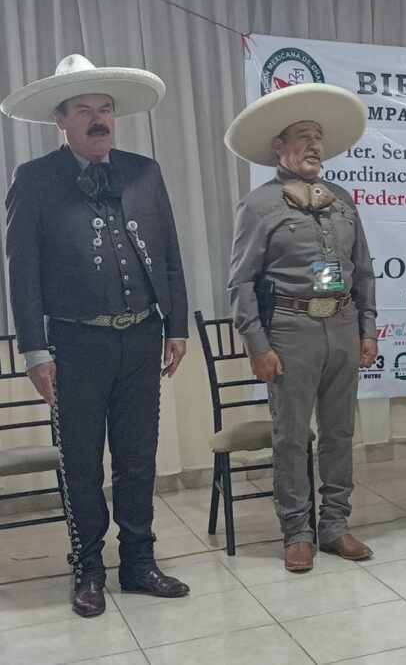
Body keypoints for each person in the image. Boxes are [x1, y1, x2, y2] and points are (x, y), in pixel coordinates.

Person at [1, 54, 190, 617]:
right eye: (83, 110)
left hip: (143, 337)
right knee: (81, 463)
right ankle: (88, 567)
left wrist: (176, 325)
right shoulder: (34, 179)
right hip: (74, 345)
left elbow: (171, 254)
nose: (98, 118)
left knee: (137, 457)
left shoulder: (144, 170)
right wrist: (35, 350)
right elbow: (22, 272)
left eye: (104, 108)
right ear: (61, 120)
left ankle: (138, 563)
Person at [226, 82, 377, 571]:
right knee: (291, 436)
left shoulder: (342, 200)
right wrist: (257, 344)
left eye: (318, 137)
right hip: (290, 330)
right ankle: (297, 532)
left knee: (339, 432)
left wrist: (368, 329)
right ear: (279, 147)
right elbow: (241, 282)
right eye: (302, 136)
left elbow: (363, 271)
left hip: (343, 325)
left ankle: (335, 525)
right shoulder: (259, 206)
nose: (315, 145)